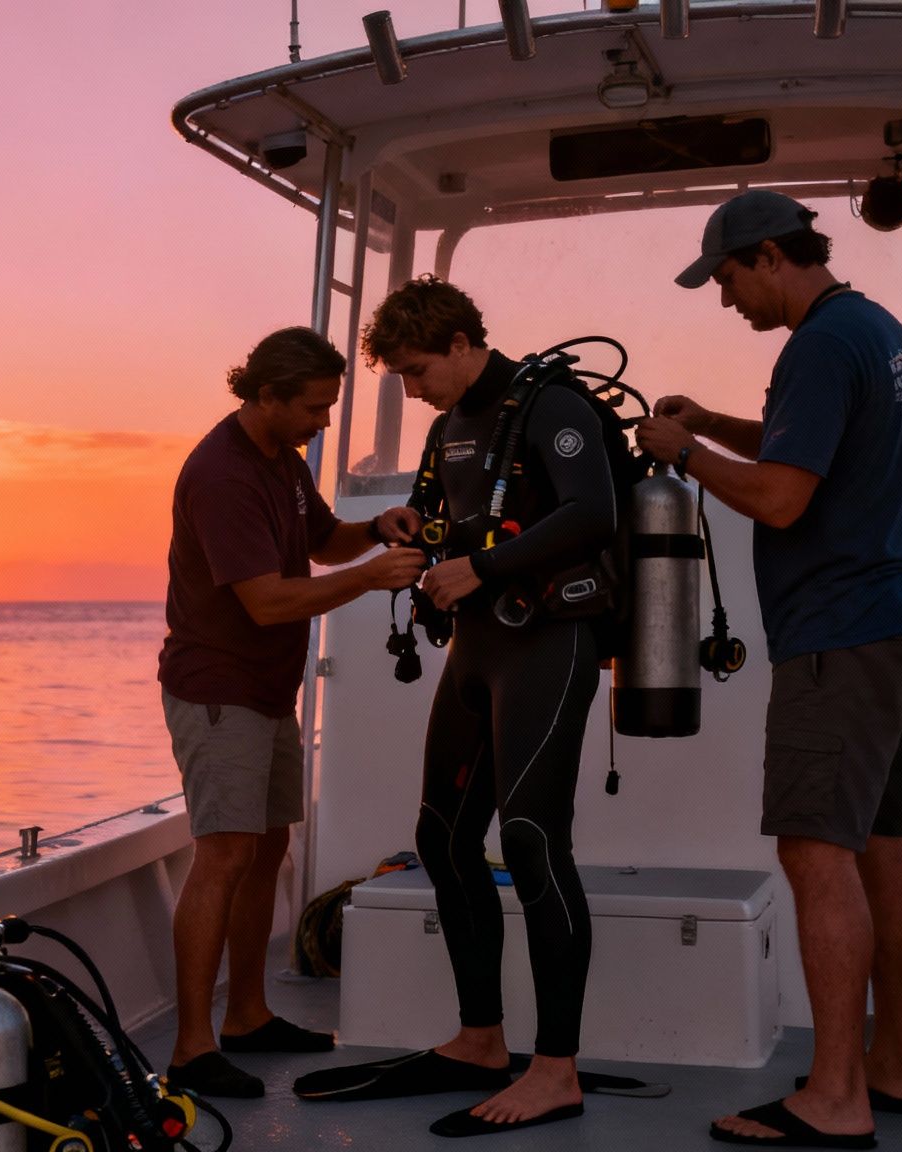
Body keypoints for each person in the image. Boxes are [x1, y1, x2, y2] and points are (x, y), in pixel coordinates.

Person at [635, 189, 902, 1149]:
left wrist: (680, 450)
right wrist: (717, 422)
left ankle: (835, 1098)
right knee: (880, 846)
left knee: (816, 854)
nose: (726, 298)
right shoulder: (873, 330)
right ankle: (892, 1069)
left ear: (770, 255)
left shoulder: (814, 345)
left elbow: (778, 499)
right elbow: (804, 453)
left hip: (839, 633)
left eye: (727, 278)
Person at [295, 277, 620, 1139]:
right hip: (480, 648)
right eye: (398, 376)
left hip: (551, 641)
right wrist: (417, 535)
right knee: (443, 836)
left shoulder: (554, 404)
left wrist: (482, 569)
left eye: (414, 369)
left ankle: (556, 1070)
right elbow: (454, 522)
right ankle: (480, 1040)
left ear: (463, 340)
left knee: (533, 840)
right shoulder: (449, 429)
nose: (411, 389)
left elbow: (593, 512)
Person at [158, 326, 427, 1099]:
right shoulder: (222, 475)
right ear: (266, 395)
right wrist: (374, 580)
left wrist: (374, 530)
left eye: (330, 407)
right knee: (224, 856)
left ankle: (247, 1016)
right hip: (219, 690)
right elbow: (269, 600)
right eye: (314, 408)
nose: (324, 422)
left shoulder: (282, 459)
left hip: (269, 692)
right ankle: (190, 1050)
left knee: (267, 846)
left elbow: (324, 543)